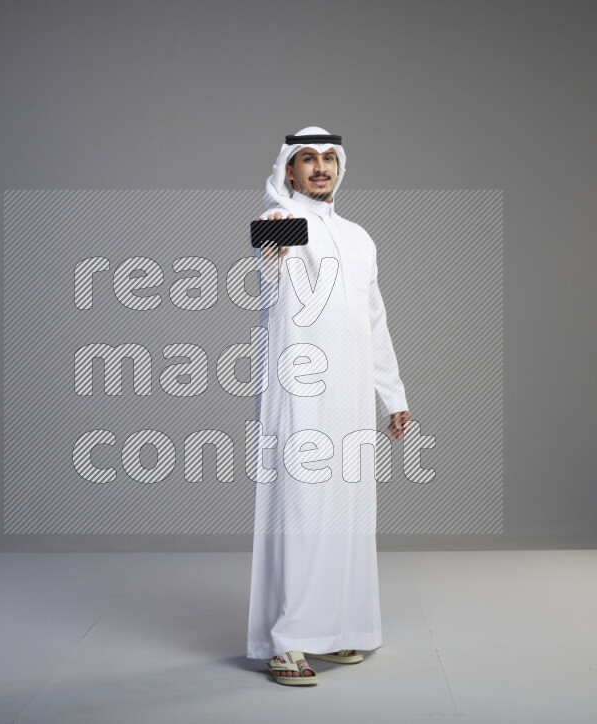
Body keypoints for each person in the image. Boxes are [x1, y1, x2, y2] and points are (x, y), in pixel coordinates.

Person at [246, 126, 411, 686]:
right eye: (306, 160)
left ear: (340, 168)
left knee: (347, 513)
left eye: (328, 159)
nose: (320, 168)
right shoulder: (280, 223)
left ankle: (339, 631)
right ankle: (288, 642)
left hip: (350, 393)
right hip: (301, 391)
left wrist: (393, 396)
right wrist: (278, 245)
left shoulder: (360, 238)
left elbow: (374, 321)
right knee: (301, 510)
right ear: (288, 170)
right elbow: (272, 292)